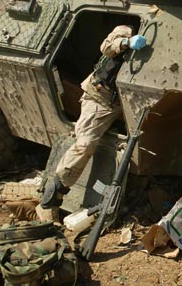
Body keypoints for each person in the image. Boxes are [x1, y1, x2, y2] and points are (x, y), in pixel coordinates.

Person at [38, 25, 147, 219]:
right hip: (100, 99)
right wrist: (127, 42)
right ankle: (54, 194)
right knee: (85, 144)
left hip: (128, 102)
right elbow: (106, 46)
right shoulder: (126, 30)